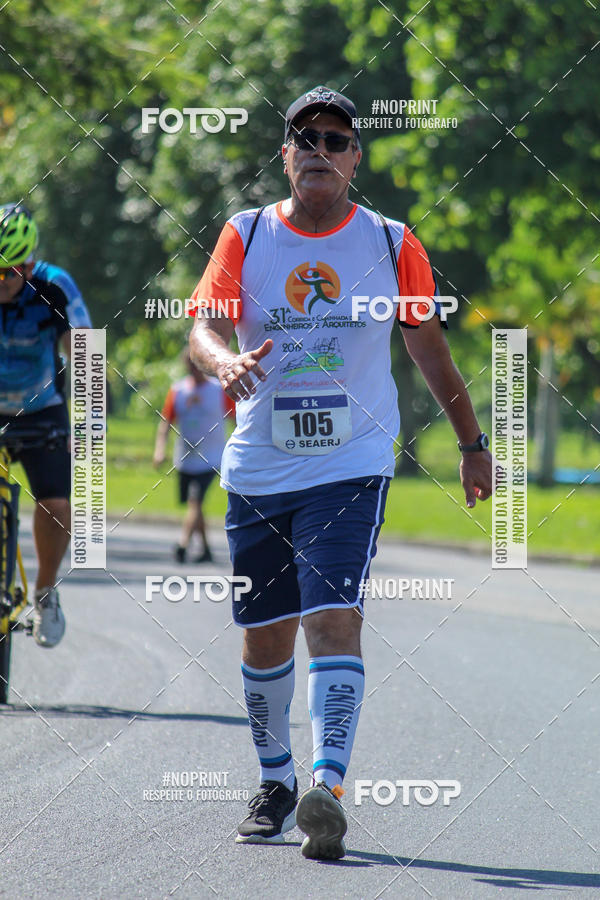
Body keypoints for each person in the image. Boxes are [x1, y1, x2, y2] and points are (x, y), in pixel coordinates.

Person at [189, 85, 493, 860]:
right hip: (258, 467)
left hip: (351, 465)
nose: (318, 148)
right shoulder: (247, 233)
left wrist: (471, 442)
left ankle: (327, 785)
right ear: (285, 155)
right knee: (263, 639)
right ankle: (277, 779)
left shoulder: (392, 244)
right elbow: (204, 326)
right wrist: (223, 362)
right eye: (304, 137)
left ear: (355, 157)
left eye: (334, 137)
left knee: (332, 617)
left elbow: (430, 351)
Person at [0, 202, 92, 648]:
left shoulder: (54, 287)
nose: (2, 283)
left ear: (29, 263)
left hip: (42, 407)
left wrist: (88, 427)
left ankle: (45, 592)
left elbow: (86, 356)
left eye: (10, 274)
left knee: (57, 506)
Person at [153, 350, 232, 563]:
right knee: (194, 504)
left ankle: (183, 544)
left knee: (194, 500)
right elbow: (166, 422)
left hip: (212, 457)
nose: (193, 369)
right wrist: (160, 450)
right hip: (186, 457)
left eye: (196, 365)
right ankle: (205, 549)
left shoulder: (218, 390)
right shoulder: (178, 390)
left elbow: (236, 417)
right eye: (189, 365)